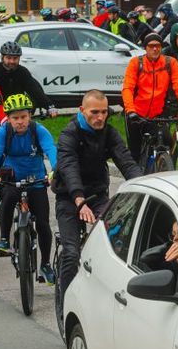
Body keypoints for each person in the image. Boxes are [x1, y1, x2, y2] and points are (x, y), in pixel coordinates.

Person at [52, 90, 142, 295]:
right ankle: (66, 302)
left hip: (98, 194)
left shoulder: (109, 133)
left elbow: (126, 162)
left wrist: (143, 185)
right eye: (94, 112)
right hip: (69, 196)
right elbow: (68, 167)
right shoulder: (69, 133)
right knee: (71, 253)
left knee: (116, 239)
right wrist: (79, 199)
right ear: (82, 110)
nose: (100, 117)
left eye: (104, 112)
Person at [0, 94, 57, 283]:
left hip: (37, 181)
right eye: (15, 118)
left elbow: (51, 149)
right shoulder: (3, 132)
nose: (20, 122)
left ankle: (46, 265)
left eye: (23, 117)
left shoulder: (38, 130)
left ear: (29, 116)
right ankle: (4, 240)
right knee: (7, 200)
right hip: (13, 180)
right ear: (8, 118)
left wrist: (55, 170)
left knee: (43, 223)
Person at [122, 32, 178, 165]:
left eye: (158, 46)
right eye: (151, 46)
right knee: (134, 153)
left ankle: (161, 167)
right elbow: (127, 88)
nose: (155, 49)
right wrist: (130, 110)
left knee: (168, 143)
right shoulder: (136, 63)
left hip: (158, 115)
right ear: (145, 48)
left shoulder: (170, 63)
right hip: (136, 114)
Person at [0, 41, 57, 117]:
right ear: (2, 57)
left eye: (15, 58)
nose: (12, 61)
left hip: (19, 109)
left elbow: (34, 90)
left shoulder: (22, 71)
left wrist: (49, 106)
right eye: (9, 58)